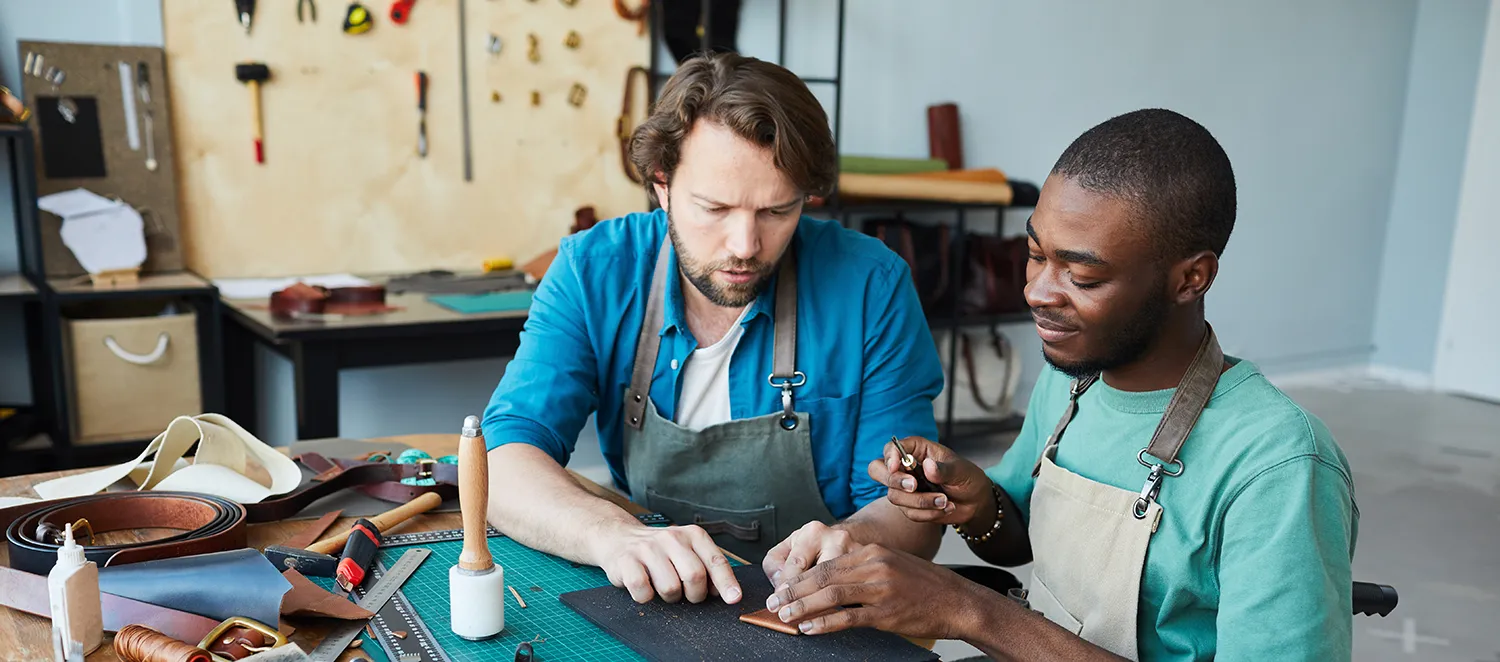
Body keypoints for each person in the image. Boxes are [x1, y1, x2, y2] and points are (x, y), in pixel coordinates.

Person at [760, 109, 1359, 661]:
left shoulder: (1277, 466)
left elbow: (985, 609)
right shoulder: (1070, 382)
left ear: (1190, 278)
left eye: (1083, 275)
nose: (1038, 292)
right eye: (1034, 254)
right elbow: (1016, 542)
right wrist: (976, 503)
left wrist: (967, 608)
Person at [479, 52, 946, 608]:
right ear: (662, 185)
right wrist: (612, 536)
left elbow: (909, 511)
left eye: (777, 211)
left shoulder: (871, 285)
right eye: (714, 208)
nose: (746, 245)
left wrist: (857, 538)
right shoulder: (594, 270)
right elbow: (502, 461)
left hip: (813, 609)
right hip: (651, 601)